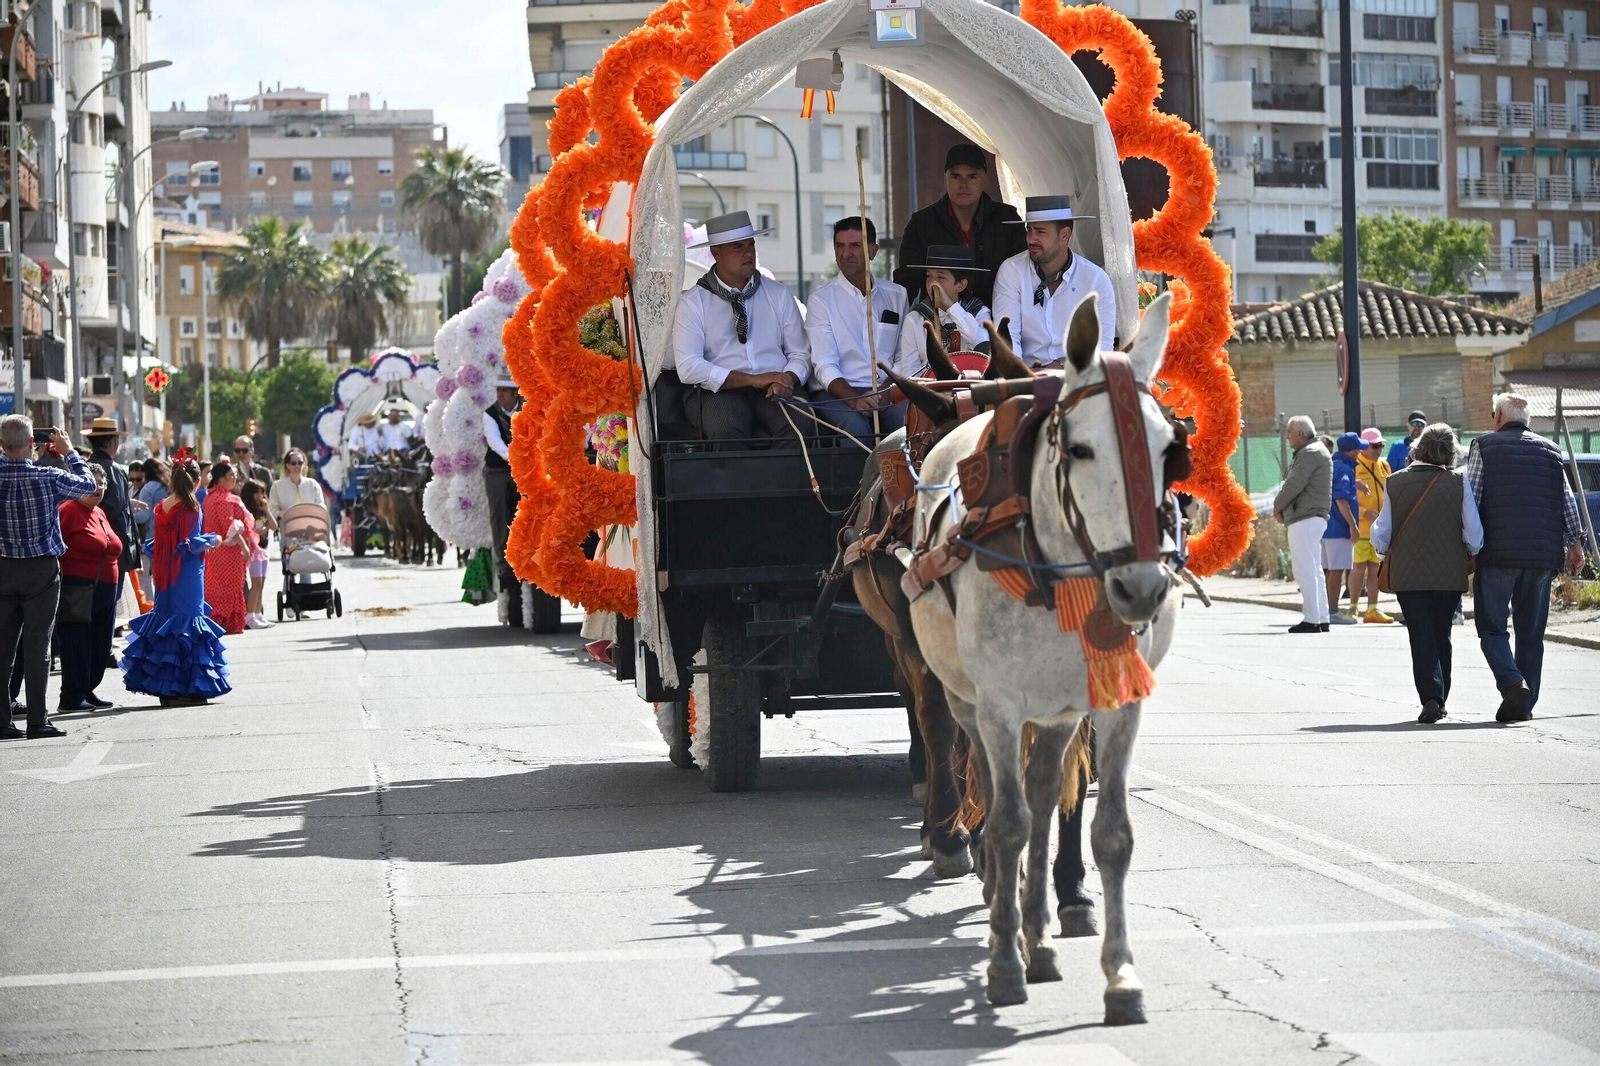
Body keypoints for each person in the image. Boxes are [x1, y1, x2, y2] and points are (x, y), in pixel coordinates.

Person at [1467, 392, 1588, 722]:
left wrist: (1468, 548)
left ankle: (1512, 682)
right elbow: (1566, 500)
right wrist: (1576, 543)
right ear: (1527, 421)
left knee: (1492, 628)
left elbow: (1472, 500)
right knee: (1531, 634)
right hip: (1541, 556)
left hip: (1497, 555)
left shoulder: (1484, 447)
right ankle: (1523, 704)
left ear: (1497, 418)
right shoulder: (1551, 450)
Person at [1371, 423, 1483, 724]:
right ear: (1449, 453)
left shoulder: (1395, 482)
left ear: (1417, 449)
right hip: (1448, 572)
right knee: (1441, 633)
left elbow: (1381, 533)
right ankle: (1440, 697)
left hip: (1408, 574)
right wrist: (1471, 553)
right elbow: (1473, 530)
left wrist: (1385, 554)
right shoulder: (1458, 482)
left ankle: (1430, 698)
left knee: (1420, 633)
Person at [672, 210, 811, 445]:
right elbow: (688, 367)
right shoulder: (693, 303)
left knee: (801, 425)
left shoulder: (778, 294)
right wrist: (750, 379)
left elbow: (801, 352)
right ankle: (740, 483)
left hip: (775, 385)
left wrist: (787, 378)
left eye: (751, 245)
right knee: (726, 430)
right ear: (716, 253)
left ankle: (789, 482)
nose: (748, 253)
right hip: (718, 392)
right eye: (737, 247)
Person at [0, 416, 99, 739]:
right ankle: (37, 720)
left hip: (3, 568)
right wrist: (69, 451)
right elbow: (89, 486)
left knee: (3, 648)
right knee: (38, 645)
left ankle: (2, 721)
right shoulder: (47, 477)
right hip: (41, 568)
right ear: (34, 444)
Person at [120, 449, 230, 707]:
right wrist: (213, 539)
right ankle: (188, 688)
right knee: (188, 625)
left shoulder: (161, 507)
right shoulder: (192, 507)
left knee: (166, 623)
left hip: (165, 574)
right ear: (196, 482)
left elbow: (162, 542)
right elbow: (190, 544)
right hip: (187, 575)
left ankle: (167, 689)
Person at [805, 216, 910, 441]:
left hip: (887, 387)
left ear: (873, 251)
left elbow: (905, 357)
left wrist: (885, 392)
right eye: (839, 246)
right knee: (856, 430)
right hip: (837, 392)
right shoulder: (821, 300)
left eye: (855, 246)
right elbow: (824, 365)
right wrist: (854, 399)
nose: (845, 254)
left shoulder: (897, 295)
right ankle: (857, 478)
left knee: (909, 423)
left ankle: (906, 477)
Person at [992, 195, 1117, 367]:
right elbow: (1007, 336)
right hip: (1026, 377)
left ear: (1064, 235)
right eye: (1029, 230)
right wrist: (1020, 376)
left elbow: (1102, 348)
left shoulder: (1095, 279)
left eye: (1040, 232)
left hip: (1076, 378)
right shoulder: (1012, 271)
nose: (1031, 239)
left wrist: (1060, 366)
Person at [892, 143, 1024, 307]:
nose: (963, 184)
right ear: (944, 179)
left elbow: (1023, 277)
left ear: (985, 179)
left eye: (972, 176)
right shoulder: (922, 223)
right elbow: (906, 282)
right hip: (939, 325)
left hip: (996, 323)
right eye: (955, 176)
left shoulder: (1007, 220)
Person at [55, 465, 124, 711]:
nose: (97, 488)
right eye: (91, 482)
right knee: (77, 643)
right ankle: (72, 696)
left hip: (105, 590)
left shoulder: (100, 513)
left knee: (100, 644)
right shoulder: (68, 510)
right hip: (79, 588)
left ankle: (87, 689)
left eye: (101, 483)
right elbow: (56, 546)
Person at [1272, 415, 1332, 634]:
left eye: (1289, 432)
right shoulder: (1315, 451)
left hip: (1305, 517)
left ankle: (1312, 619)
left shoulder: (1310, 453)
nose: (1287, 437)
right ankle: (1321, 617)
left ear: (1299, 434)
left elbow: (1293, 485)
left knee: (1304, 570)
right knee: (1314, 570)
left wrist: (1277, 506)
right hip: (1311, 517)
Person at [894, 245, 992, 374]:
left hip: (970, 390)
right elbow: (909, 372)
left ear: (961, 285)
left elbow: (983, 348)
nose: (932, 283)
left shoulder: (979, 312)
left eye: (940, 277)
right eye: (929, 276)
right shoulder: (915, 319)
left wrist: (950, 307)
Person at [85, 418, 140, 608]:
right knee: (108, 601)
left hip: (87, 539)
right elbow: (116, 504)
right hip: (112, 543)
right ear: (111, 442)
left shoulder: (85, 466)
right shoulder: (114, 469)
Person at [484, 377, 523, 616]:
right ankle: (503, 566)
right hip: (499, 469)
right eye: (498, 390)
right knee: (498, 514)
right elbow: (495, 442)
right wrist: (516, 458)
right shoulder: (490, 414)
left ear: (515, 393)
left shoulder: (527, 407)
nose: (500, 395)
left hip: (524, 467)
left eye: (505, 391)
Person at [201, 462, 252, 635]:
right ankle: (227, 621)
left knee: (216, 586)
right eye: (231, 475)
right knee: (230, 587)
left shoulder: (210, 497)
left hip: (215, 551)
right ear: (221, 479)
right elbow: (229, 527)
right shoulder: (223, 499)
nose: (234, 478)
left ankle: (218, 619)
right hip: (227, 552)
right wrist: (244, 546)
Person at [1351, 427, 1394, 624]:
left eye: (1380, 445)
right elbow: (1346, 498)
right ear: (1363, 447)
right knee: (1358, 568)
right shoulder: (1355, 466)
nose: (1378, 449)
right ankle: (1353, 607)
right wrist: (1363, 513)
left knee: (1375, 569)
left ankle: (1372, 609)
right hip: (1361, 528)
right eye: (1374, 446)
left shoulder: (1384, 466)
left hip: (1379, 530)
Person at [1324, 432, 1362, 625]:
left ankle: (1326, 610)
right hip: (1338, 528)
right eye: (1358, 449)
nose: (1360, 452)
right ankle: (1333, 611)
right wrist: (1353, 526)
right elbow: (1341, 499)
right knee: (1337, 571)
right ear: (1351, 450)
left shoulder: (1333, 464)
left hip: (1326, 526)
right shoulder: (1345, 469)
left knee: (1330, 571)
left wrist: (1357, 484)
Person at [238, 480, 276, 630]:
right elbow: (257, 530)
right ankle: (250, 615)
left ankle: (258, 613)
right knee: (256, 582)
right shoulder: (247, 512)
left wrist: (267, 510)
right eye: (257, 492)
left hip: (263, 549)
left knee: (262, 582)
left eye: (262, 492)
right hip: (254, 549)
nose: (261, 496)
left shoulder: (262, 511)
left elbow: (273, 526)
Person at [268, 448, 324, 522]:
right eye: (293, 463)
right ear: (288, 465)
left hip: (311, 528)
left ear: (303, 465)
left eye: (300, 463)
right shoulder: (277, 486)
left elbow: (321, 507)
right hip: (288, 528)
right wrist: (285, 514)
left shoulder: (313, 484)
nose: (297, 466)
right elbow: (273, 510)